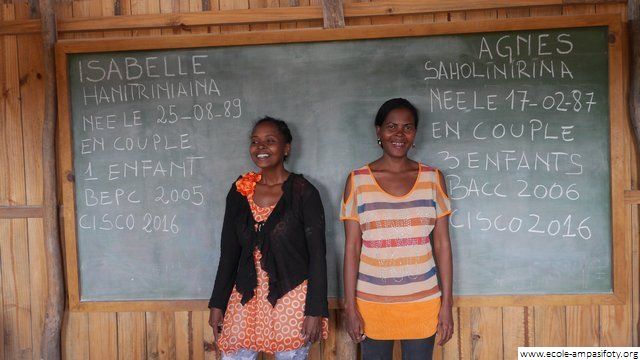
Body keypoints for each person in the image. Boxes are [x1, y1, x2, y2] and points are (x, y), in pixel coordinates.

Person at [340, 98, 454, 359]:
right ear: (378, 131)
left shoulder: (433, 179)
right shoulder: (357, 181)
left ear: (415, 133)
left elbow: (442, 245)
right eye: (391, 126)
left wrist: (446, 304)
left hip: (423, 303)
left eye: (407, 127)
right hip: (372, 304)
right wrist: (350, 307)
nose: (399, 134)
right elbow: (352, 247)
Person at [208, 117, 329, 360]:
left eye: (270, 141)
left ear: (286, 148)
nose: (261, 147)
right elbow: (229, 253)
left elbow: (318, 256)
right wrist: (217, 304)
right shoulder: (240, 191)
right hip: (245, 297)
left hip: (291, 298)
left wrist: (315, 311)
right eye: (255, 141)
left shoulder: (303, 192)